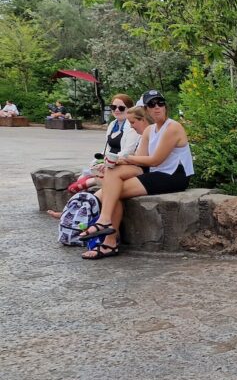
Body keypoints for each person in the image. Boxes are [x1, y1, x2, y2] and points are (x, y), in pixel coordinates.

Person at [77, 90, 193, 260]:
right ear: (146, 109)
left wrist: (124, 158)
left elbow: (154, 160)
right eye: (152, 104)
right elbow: (139, 160)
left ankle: (107, 234)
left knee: (113, 191)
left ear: (165, 106)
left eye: (160, 103)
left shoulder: (173, 127)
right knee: (112, 172)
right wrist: (114, 162)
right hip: (157, 173)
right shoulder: (150, 130)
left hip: (174, 176)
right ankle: (106, 228)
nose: (157, 107)